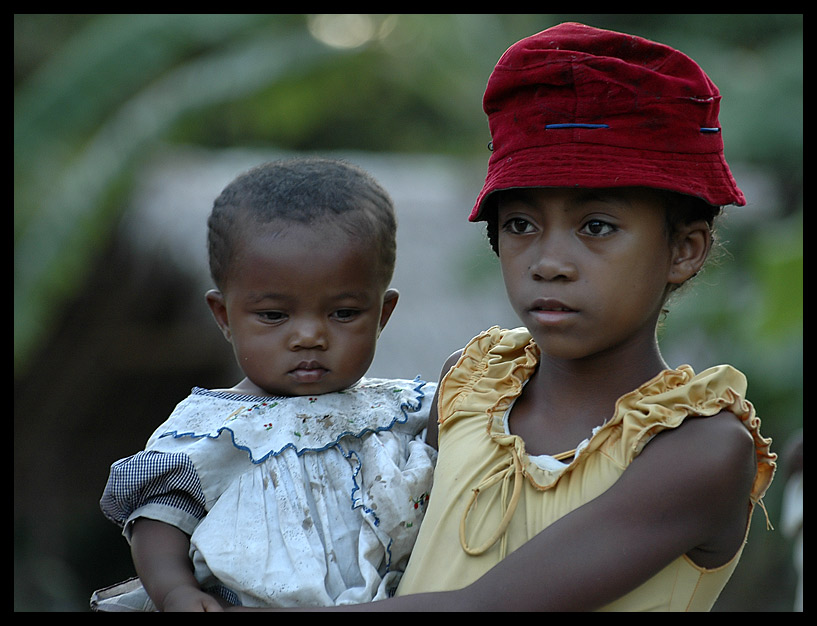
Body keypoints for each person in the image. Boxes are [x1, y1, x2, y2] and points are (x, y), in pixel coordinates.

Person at [389, 22, 778, 612]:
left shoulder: (699, 449)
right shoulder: (470, 386)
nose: (548, 263)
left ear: (684, 250)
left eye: (596, 226)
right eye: (521, 224)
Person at [90, 158, 437, 611]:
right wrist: (176, 590)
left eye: (344, 313)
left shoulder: (403, 411)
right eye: (274, 315)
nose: (309, 336)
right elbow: (158, 521)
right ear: (224, 317)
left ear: (382, 315)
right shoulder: (213, 428)